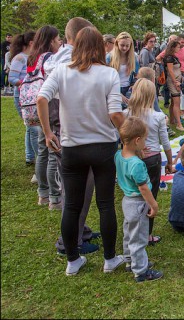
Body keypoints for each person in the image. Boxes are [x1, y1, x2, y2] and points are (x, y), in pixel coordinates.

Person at [36, 26, 126, 276]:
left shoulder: (61, 72)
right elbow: (115, 113)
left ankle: (73, 260)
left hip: (72, 146)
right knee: (106, 203)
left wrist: (47, 132)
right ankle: (109, 259)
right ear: (99, 46)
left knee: (72, 205)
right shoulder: (108, 74)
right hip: (103, 145)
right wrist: (127, 134)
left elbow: (42, 99)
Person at [44, 17, 100, 256]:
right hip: (72, 134)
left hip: (61, 131)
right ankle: (71, 242)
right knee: (80, 188)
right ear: (80, 37)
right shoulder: (71, 62)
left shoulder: (55, 59)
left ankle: (80, 230)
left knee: (74, 188)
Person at [125, 78, 173, 245]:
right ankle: (146, 235)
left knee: (132, 195)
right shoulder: (158, 116)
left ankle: (131, 230)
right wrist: (170, 162)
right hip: (152, 158)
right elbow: (165, 142)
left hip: (131, 158)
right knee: (150, 197)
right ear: (152, 95)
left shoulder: (127, 114)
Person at [115, 117, 163, 282]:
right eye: (144, 139)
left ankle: (130, 260)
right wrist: (153, 204)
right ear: (137, 140)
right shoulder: (137, 165)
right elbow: (143, 188)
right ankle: (141, 271)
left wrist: (139, 152)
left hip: (127, 201)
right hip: (138, 203)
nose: (145, 142)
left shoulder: (119, 155)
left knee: (128, 232)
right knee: (139, 238)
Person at [28, 25, 64, 210]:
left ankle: (42, 193)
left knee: (42, 150)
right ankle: (55, 197)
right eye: (58, 39)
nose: (60, 43)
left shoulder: (33, 57)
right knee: (53, 151)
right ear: (51, 41)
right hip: (50, 104)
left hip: (34, 107)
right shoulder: (50, 58)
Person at [8, 31, 39, 168]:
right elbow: (12, 78)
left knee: (29, 127)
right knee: (33, 128)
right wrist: (26, 84)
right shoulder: (19, 58)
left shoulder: (32, 57)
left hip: (30, 96)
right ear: (31, 43)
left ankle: (29, 156)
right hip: (22, 96)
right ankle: (39, 158)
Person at [107, 32, 139, 104]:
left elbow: (137, 74)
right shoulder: (109, 57)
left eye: (127, 46)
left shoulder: (133, 57)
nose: (124, 48)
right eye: (122, 45)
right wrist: (118, 93)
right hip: (113, 89)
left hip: (128, 90)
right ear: (117, 44)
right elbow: (105, 77)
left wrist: (134, 84)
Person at [162, 40, 184, 131]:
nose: (179, 48)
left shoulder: (174, 57)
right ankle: (179, 124)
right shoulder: (169, 58)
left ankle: (172, 120)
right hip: (173, 81)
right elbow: (170, 70)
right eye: (178, 47)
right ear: (173, 47)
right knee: (177, 102)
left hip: (177, 79)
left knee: (173, 102)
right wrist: (175, 82)